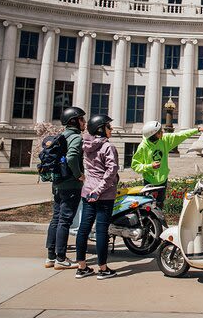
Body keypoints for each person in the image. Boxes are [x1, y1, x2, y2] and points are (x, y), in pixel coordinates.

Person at [75, 114, 120, 280]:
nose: (111, 129)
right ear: (101, 129)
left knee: (84, 229)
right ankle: (103, 269)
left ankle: (82, 267)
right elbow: (111, 172)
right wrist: (99, 190)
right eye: (108, 126)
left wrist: (92, 189)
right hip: (104, 195)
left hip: (87, 192)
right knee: (101, 231)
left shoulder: (86, 145)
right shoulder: (108, 147)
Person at [131, 120, 203, 210]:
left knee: (159, 206)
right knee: (148, 207)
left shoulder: (164, 140)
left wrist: (198, 130)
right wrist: (150, 166)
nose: (162, 132)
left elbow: (180, 135)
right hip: (149, 182)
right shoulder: (143, 147)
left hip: (163, 181)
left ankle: (158, 223)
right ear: (153, 135)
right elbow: (135, 165)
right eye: (159, 132)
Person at [45, 106, 86, 270]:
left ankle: (51, 257)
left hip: (58, 184)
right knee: (65, 220)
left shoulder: (61, 136)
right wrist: (78, 175)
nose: (84, 122)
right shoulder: (75, 137)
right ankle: (61, 258)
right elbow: (72, 157)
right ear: (74, 121)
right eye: (82, 119)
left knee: (56, 219)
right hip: (70, 185)